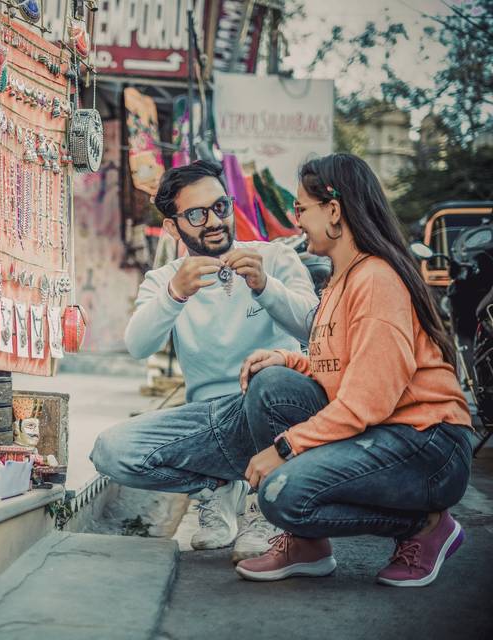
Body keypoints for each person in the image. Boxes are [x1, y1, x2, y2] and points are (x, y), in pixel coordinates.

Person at [235, 153, 473, 587]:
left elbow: (367, 399)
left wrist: (286, 448)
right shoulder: (341, 280)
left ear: (334, 211)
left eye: (301, 209)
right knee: (271, 386)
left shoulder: (377, 280)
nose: (296, 220)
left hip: (429, 445)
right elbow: (351, 368)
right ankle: (308, 545)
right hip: (387, 429)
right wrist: (290, 359)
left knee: (280, 494)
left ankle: (425, 525)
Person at [91, 160, 318, 560]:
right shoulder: (165, 280)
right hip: (210, 420)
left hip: (273, 413)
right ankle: (216, 486)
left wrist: (265, 287)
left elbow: (314, 331)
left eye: (220, 207)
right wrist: (174, 295)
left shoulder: (274, 259)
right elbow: (138, 345)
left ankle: (264, 507)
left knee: (269, 380)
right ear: (173, 226)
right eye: (196, 214)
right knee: (110, 450)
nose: (213, 221)